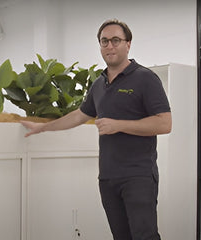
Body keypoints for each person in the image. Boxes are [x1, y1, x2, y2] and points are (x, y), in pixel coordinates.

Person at [21, 19, 171, 240]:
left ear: (128, 44)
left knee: (144, 236)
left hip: (138, 176)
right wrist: (43, 127)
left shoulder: (145, 78)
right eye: (104, 41)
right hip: (108, 178)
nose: (109, 46)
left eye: (116, 40)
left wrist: (119, 125)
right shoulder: (99, 84)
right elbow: (80, 115)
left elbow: (164, 123)